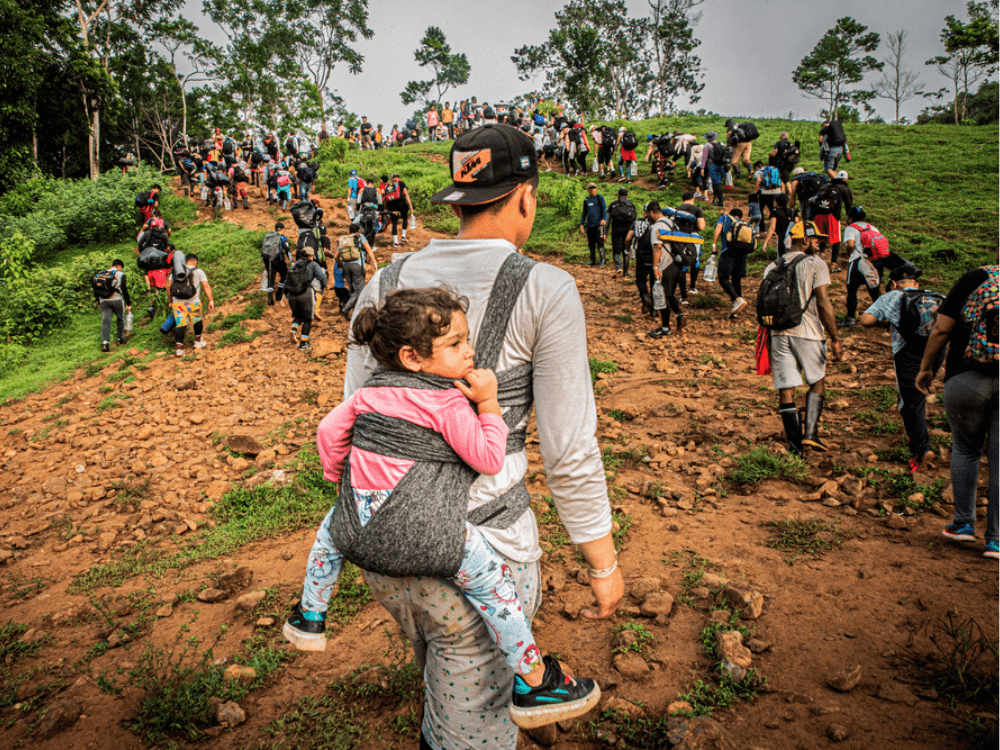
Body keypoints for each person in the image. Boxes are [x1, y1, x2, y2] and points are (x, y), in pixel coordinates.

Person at [340, 123, 623, 750]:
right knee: (475, 726)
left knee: (446, 685)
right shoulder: (545, 289)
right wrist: (601, 561)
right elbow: (569, 445)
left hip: (385, 546)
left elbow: (356, 417)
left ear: (457, 198)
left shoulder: (383, 285)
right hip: (483, 550)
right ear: (525, 195)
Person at [286, 287, 601, 731]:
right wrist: (489, 403)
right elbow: (488, 458)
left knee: (330, 535)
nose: (469, 352)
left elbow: (327, 432)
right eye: (455, 344)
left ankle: (311, 615)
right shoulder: (447, 403)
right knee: (495, 589)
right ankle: (533, 681)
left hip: (360, 527)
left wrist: (340, 476)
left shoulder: (369, 392)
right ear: (413, 357)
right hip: (430, 534)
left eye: (466, 339)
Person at [916, 262, 998, 560]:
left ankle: (963, 523)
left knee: (966, 448)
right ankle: (996, 540)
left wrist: (926, 368)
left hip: (966, 376)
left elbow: (941, 328)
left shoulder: (976, 278)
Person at [762, 221, 841, 455]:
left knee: (786, 388)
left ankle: (795, 447)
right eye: (815, 238)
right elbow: (823, 302)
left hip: (777, 333)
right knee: (817, 380)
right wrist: (835, 336)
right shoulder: (816, 264)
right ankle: (810, 434)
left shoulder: (771, 267)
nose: (818, 242)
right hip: (808, 332)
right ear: (805, 241)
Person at [860, 263, 944, 473]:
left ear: (894, 283)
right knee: (916, 396)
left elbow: (866, 320)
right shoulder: (937, 296)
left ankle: (921, 449)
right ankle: (917, 436)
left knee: (910, 403)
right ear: (916, 283)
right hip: (937, 351)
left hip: (909, 351)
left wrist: (887, 319)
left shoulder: (893, 296)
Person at [648, 201, 685, 338]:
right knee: (669, 294)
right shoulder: (672, 223)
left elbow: (657, 247)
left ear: (651, 213)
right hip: (678, 264)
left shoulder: (657, 226)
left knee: (663, 296)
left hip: (666, 264)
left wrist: (655, 267)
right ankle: (679, 314)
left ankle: (665, 328)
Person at [168, 254, 215, 358]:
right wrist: (211, 300)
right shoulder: (198, 271)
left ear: (185, 261)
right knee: (197, 320)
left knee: (181, 324)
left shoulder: (176, 271)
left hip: (178, 303)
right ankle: (198, 342)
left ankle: (179, 349)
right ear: (195, 262)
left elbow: (169, 287)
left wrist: (170, 301)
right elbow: (206, 286)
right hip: (193, 302)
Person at [285, 247, 327, 351]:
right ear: (311, 255)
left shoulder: (293, 266)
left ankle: (294, 329)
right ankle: (303, 344)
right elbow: (322, 277)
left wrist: (285, 295)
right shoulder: (313, 264)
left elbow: (287, 281)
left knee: (299, 315)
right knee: (308, 319)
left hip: (292, 295)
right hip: (306, 292)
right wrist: (322, 287)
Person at [711, 208, 751, 317]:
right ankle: (736, 305)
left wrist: (714, 243)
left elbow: (719, 227)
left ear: (731, 214)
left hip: (728, 251)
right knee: (736, 279)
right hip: (743, 254)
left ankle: (737, 299)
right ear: (741, 217)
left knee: (723, 278)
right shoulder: (744, 223)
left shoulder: (725, 218)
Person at [93, 259, 132, 352]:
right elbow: (124, 289)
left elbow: (96, 289)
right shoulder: (120, 274)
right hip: (116, 300)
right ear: (119, 266)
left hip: (103, 301)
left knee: (105, 321)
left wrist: (98, 302)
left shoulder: (100, 274)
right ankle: (120, 339)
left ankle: (105, 343)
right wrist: (128, 303)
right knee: (120, 318)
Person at [337, 222, 374, 317]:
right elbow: (368, 249)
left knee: (353, 289)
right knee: (359, 290)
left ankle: (354, 313)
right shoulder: (359, 236)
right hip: (357, 265)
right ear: (358, 230)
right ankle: (347, 308)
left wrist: (341, 264)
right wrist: (374, 262)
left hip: (346, 266)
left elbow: (336, 256)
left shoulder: (344, 240)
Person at [674, 192, 706, 298]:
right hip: (693, 237)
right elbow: (701, 227)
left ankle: (683, 295)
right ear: (693, 200)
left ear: (683, 200)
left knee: (682, 263)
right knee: (695, 261)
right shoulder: (697, 210)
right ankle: (692, 287)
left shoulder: (676, 209)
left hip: (678, 237)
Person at [607, 187, 636, 276]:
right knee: (626, 250)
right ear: (627, 195)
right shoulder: (631, 205)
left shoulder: (613, 205)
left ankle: (619, 267)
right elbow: (635, 219)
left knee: (616, 251)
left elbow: (607, 220)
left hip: (616, 230)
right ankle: (626, 272)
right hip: (628, 231)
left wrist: (604, 233)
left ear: (618, 195)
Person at [262, 222, 291, 306]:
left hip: (269, 261)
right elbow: (288, 250)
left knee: (271, 280)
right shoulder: (282, 238)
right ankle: (279, 294)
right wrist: (291, 261)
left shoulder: (268, 237)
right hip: (279, 260)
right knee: (284, 275)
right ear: (281, 229)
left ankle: (270, 299)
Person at [579, 182, 607, 267]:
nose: (592, 189)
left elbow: (604, 209)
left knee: (600, 242)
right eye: (590, 188)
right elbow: (584, 213)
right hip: (589, 226)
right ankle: (592, 260)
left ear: (596, 189)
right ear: (588, 190)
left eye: (593, 188)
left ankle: (603, 260)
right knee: (591, 244)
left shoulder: (599, 198)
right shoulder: (586, 200)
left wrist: (604, 219)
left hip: (598, 225)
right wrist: (581, 224)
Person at [383, 173, 414, 246]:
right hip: (402, 205)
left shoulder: (388, 185)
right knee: (405, 219)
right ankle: (403, 236)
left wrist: (385, 209)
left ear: (391, 178)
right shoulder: (401, 183)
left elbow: (385, 198)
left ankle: (396, 242)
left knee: (394, 223)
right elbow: (406, 195)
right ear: (398, 177)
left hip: (391, 207)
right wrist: (410, 206)